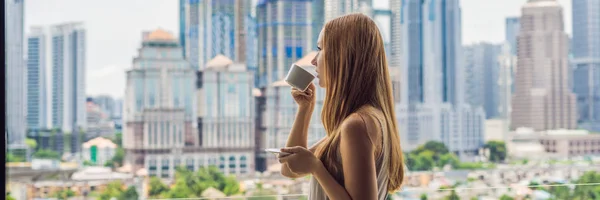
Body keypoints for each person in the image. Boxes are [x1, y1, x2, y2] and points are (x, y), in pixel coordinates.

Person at [277, 13, 405, 200]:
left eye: (320, 49)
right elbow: (289, 169)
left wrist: (316, 168)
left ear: (343, 56)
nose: (314, 61)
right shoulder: (361, 120)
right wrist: (305, 109)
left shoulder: (357, 125)